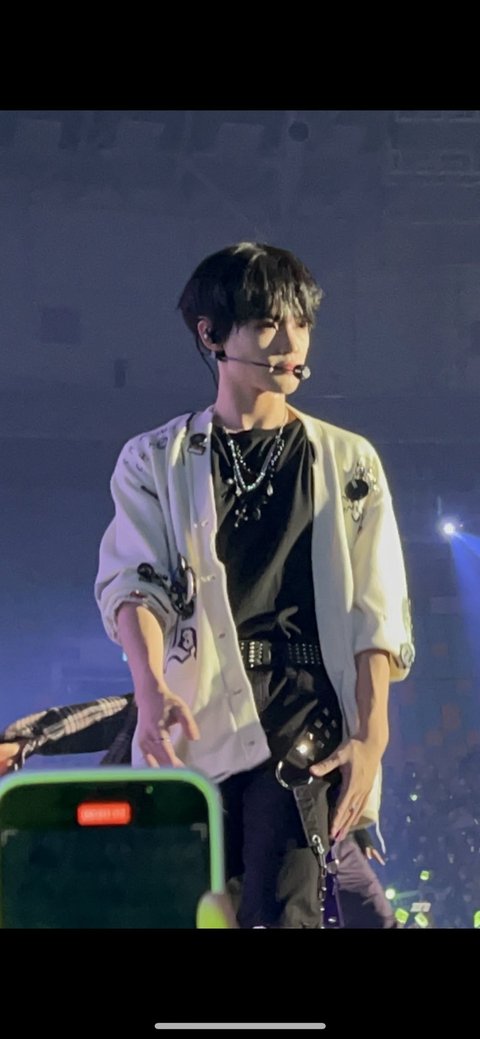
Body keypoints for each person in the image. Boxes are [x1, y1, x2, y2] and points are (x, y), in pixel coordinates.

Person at [9, 242, 416, 928]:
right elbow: (133, 585)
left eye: (301, 323)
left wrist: (373, 736)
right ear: (212, 335)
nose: (290, 342)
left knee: (285, 914)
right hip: (194, 722)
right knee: (186, 909)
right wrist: (149, 689)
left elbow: (377, 608)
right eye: (267, 324)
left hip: (305, 721)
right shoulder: (154, 459)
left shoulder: (350, 460)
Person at [0, 693, 397, 928]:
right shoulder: (188, 700)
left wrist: (352, 820)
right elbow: (111, 712)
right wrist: (27, 741)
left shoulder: (280, 727)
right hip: (187, 849)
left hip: (281, 832)